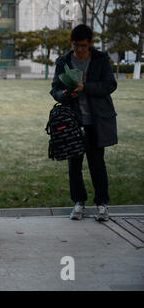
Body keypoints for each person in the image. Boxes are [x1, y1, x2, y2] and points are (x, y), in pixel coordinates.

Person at [50, 24, 117, 222]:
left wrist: (85, 87)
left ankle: (102, 204)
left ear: (89, 43)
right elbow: (54, 88)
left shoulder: (100, 59)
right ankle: (79, 203)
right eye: (75, 45)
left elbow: (110, 85)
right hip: (72, 122)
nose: (78, 49)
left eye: (82, 45)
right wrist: (64, 93)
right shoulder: (64, 62)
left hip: (96, 122)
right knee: (74, 166)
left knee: (97, 164)